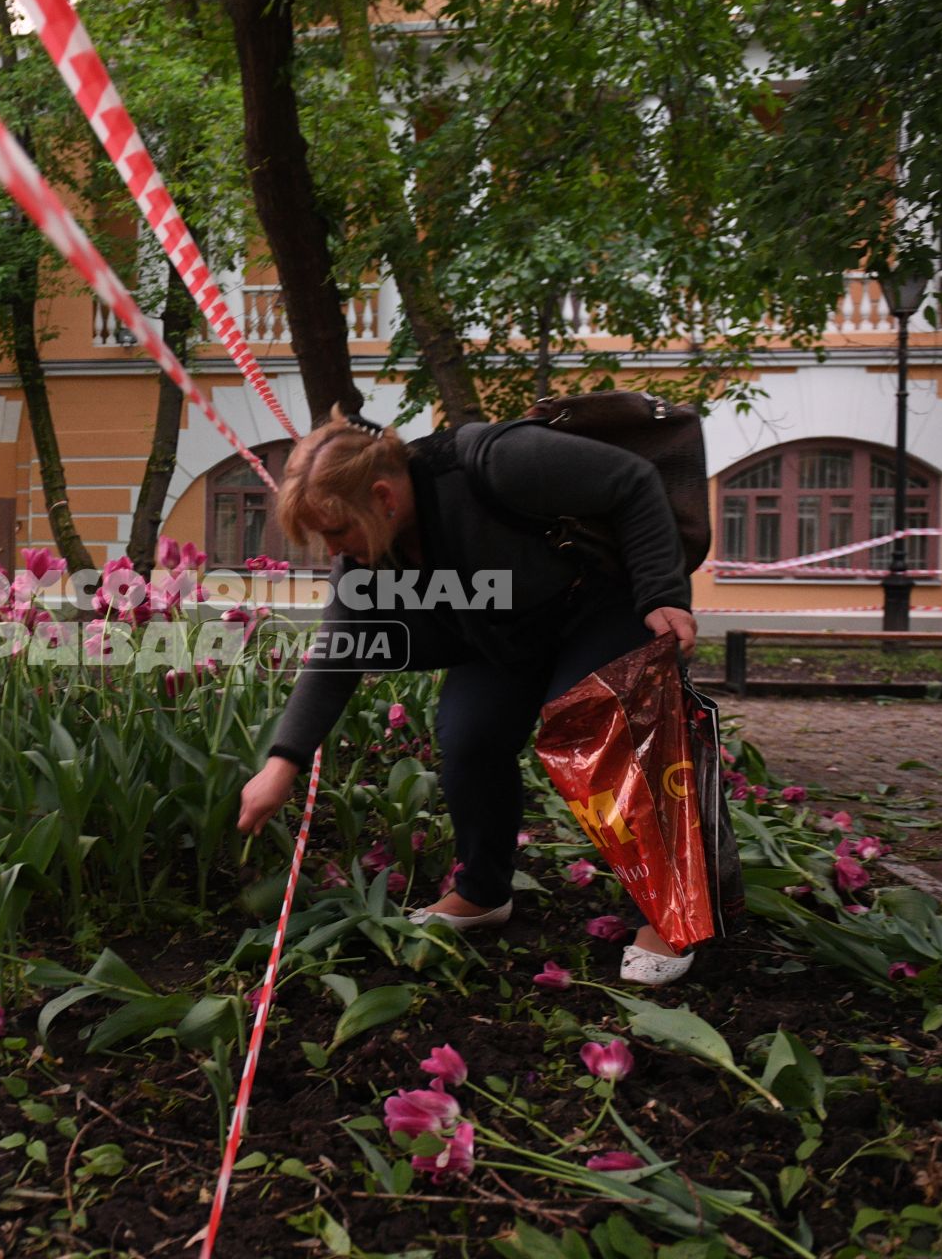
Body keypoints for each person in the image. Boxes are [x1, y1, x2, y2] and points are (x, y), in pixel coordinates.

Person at [235, 406, 700, 986]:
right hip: (505, 636)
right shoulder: (368, 555)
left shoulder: (498, 461)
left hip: (598, 606)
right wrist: (283, 764)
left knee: (592, 728)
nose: (336, 549)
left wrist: (663, 591)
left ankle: (670, 910)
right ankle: (483, 892)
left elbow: (633, 481)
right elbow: (339, 654)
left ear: (383, 496)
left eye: (336, 530)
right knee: (470, 736)